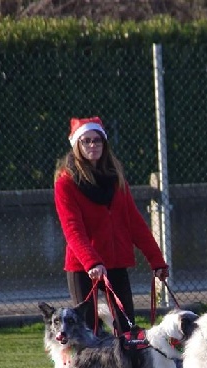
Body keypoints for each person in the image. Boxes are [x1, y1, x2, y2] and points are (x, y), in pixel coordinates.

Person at [54, 116, 169, 335]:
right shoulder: (66, 183)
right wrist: (92, 262)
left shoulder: (116, 179)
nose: (92, 145)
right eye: (86, 141)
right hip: (84, 268)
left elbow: (134, 223)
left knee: (126, 325)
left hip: (116, 263)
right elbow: (72, 228)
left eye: (97, 140)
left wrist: (157, 261)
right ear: (76, 145)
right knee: (86, 330)